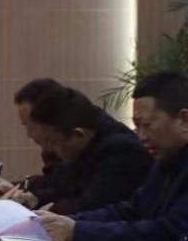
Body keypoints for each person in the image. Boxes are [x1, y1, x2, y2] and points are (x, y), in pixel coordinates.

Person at [39, 72, 188, 241]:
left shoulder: (121, 149)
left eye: (147, 125)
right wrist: (68, 222)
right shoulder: (165, 161)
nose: (141, 136)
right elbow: (131, 210)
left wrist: (78, 230)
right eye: (137, 126)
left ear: (184, 119)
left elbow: (170, 232)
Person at [4, 87, 151, 214]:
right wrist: (35, 198)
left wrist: (51, 210)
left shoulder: (121, 151)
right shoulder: (81, 142)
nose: (50, 149)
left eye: (53, 142)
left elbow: (95, 204)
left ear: (77, 135)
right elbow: (62, 187)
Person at [0, 78, 65, 197]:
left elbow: (70, 195)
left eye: (31, 126)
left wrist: (32, 198)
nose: (28, 134)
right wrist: (16, 188)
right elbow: (52, 185)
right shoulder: (52, 153)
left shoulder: (80, 154)